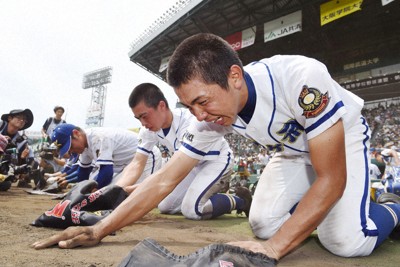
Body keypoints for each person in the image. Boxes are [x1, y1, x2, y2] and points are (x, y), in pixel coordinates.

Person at [31, 33, 399, 262]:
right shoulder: (208, 113)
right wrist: (101, 229)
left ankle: (391, 207)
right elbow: (162, 182)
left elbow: (331, 177)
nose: (199, 114)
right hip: (291, 149)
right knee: (264, 223)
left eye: (202, 101)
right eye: (190, 106)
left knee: (346, 241)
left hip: (342, 139)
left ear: (234, 77)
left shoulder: (302, 77)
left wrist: (275, 250)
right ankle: (334, 213)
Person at [115, 82, 250, 220]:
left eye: (144, 116)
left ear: (161, 106)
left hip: (215, 161)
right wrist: (117, 188)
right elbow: (137, 163)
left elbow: (171, 174)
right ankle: (205, 195)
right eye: (138, 118)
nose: (143, 123)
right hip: (191, 167)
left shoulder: (189, 121)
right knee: (164, 206)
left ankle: (240, 200)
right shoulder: (148, 129)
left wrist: (131, 190)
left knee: (192, 210)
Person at [50, 123, 161, 189]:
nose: (71, 151)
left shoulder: (98, 137)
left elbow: (106, 173)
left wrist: (93, 192)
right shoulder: (84, 146)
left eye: (71, 146)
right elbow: (83, 173)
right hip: (126, 166)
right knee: (113, 193)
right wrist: (79, 192)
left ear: (76, 133)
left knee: (130, 198)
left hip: (147, 157)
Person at [0, 109, 36, 188]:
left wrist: (22, 157)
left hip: (2, 168)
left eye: (24, 120)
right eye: (19, 117)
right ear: (10, 118)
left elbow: (16, 165)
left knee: (5, 185)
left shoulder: (22, 142)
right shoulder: (1, 125)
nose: (22, 120)